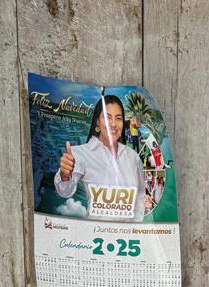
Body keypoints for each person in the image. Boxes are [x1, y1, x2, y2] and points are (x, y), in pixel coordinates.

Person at [55, 93, 146, 222]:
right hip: (95, 232)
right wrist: (65, 176)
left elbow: (140, 196)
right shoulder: (81, 153)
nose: (113, 124)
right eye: (107, 117)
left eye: (118, 118)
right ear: (97, 121)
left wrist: (135, 226)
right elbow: (64, 192)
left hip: (127, 233)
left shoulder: (133, 157)